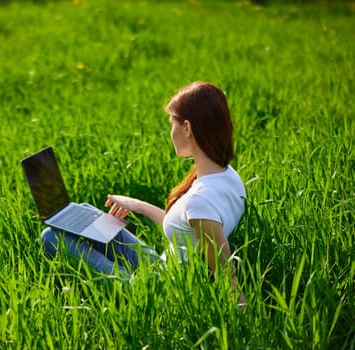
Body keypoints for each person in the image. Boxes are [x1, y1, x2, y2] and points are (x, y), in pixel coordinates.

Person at [41, 82, 246, 292]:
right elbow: (186, 226)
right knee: (84, 210)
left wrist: (242, 320)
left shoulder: (200, 202)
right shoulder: (228, 176)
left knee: (50, 237)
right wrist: (137, 205)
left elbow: (226, 274)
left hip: (156, 291)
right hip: (163, 269)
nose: (170, 133)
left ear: (187, 128)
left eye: (171, 124)